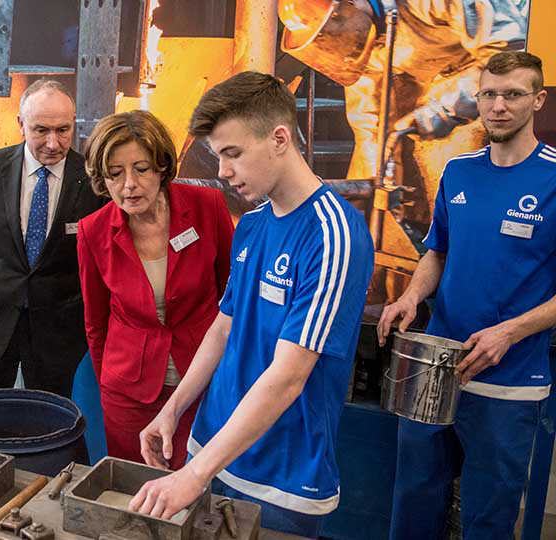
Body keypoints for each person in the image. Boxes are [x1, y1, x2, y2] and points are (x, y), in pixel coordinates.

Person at [128, 72, 374, 538]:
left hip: (280, 477)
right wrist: (174, 409)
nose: (222, 170)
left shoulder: (333, 234)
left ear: (279, 138)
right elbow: (224, 328)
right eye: (219, 155)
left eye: (233, 153)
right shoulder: (255, 222)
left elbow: (288, 375)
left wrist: (194, 476)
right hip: (213, 448)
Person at [377, 50, 555, 540]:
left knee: (487, 517)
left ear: (537, 100)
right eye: (490, 94)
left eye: (514, 95)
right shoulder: (458, 171)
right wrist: (412, 297)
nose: (499, 106)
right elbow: (437, 252)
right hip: (435, 368)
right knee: (413, 501)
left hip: (510, 382)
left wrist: (509, 332)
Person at [278, 0, 529, 226]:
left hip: (513, 64)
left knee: (463, 182)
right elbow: (370, 127)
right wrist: (362, 206)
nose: (340, 45)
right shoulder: (367, 40)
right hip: (444, 76)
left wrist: (441, 112)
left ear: (349, 5)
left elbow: (509, 55)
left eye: (335, 33)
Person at [77, 110, 234, 469]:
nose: (129, 184)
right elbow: (95, 324)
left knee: (197, 488)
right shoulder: (93, 231)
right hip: (129, 395)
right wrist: (109, 386)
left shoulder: (206, 207)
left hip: (201, 383)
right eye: (115, 174)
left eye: (141, 169)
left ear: (162, 167)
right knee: (139, 492)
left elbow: (232, 297)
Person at [0, 79, 106, 397]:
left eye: (63, 130)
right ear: (21, 124)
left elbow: (97, 261)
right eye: (41, 130)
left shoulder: (93, 179)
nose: (53, 143)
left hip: (58, 329)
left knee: (51, 422)